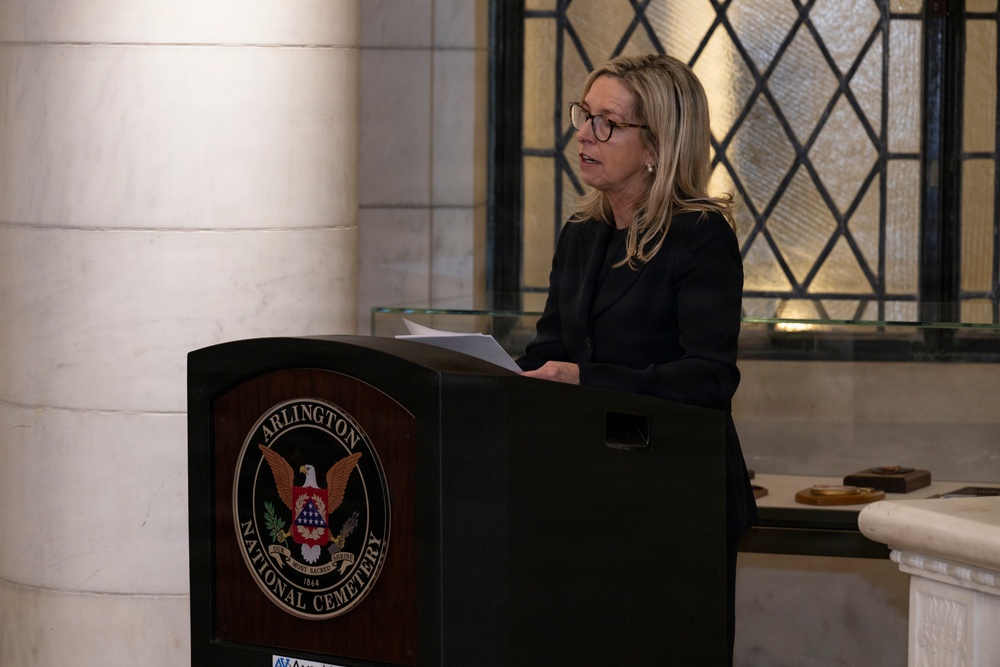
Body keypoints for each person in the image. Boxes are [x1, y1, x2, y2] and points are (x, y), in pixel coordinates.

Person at [516, 53, 757, 664]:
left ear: (657, 145)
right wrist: (491, 374)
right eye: (584, 115)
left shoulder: (700, 233)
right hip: (589, 499)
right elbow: (548, 351)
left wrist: (583, 378)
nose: (584, 134)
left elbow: (710, 377)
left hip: (676, 501)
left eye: (607, 123)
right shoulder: (581, 233)